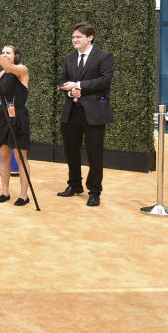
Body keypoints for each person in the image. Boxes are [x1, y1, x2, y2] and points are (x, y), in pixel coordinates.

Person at [57, 23, 114, 207]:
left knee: (94, 154)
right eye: (73, 37)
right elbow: (63, 81)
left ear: (90, 37)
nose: (74, 40)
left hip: (94, 113)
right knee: (71, 151)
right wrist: (70, 90)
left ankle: (94, 191)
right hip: (71, 112)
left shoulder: (104, 56)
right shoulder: (69, 58)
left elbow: (105, 81)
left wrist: (79, 85)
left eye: (78, 37)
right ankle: (74, 185)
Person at [0, 43, 32, 206]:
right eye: (2, 52)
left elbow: (9, 66)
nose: (4, 54)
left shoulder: (22, 70)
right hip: (3, 116)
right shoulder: (2, 72)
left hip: (18, 116)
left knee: (21, 158)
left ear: (16, 56)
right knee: (4, 156)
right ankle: (5, 192)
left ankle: (24, 195)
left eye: (8, 52)